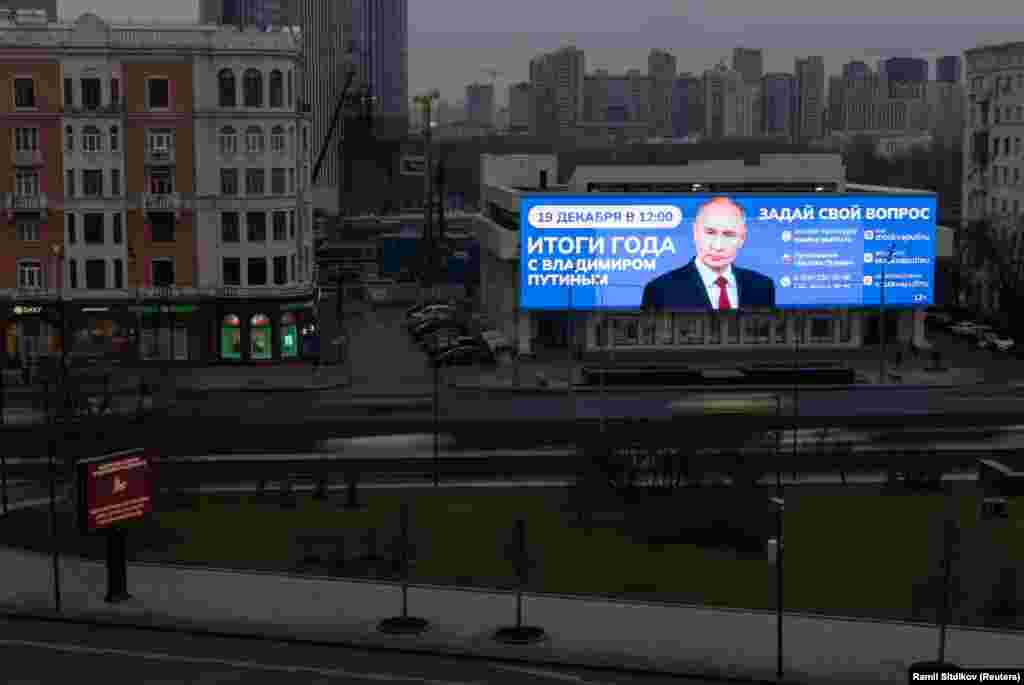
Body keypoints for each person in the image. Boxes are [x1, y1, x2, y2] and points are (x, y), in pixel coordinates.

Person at [641, 196, 776, 310]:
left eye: (728, 234)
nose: (717, 246)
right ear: (695, 232)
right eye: (710, 233)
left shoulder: (762, 287)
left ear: (742, 238)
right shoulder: (660, 290)